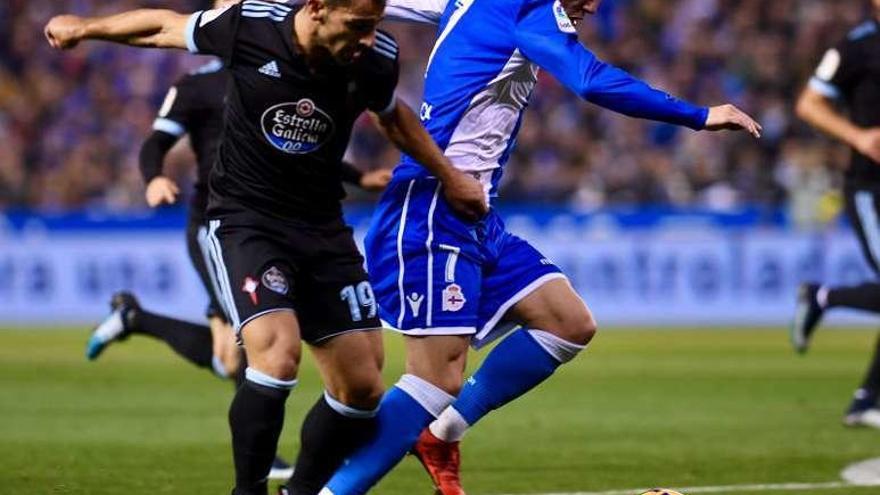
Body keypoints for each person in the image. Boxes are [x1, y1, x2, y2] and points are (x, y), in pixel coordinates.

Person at [315, 0, 762, 493]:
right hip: (432, 208)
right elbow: (589, 79)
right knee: (434, 379)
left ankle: (440, 434)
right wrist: (700, 115)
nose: (592, 6)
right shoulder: (526, 9)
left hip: (477, 215)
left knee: (568, 323)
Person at [44, 0, 487, 493]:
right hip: (246, 220)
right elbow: (163, 28)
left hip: (322, 227)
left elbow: (391, 117)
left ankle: (300, 490)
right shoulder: (251, 26)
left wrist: (448, 176)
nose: (368, 37)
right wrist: (86, 28)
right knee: (276, 359)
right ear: (318, 9)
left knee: (361, 389)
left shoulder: (375, 56)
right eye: (358, 25)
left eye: (374, 24)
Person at [790, 0, 880, 429]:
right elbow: (809, 104)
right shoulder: (857, 46)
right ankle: (866, 401)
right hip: (871, 189)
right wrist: (858, 137)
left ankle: (866, 401)